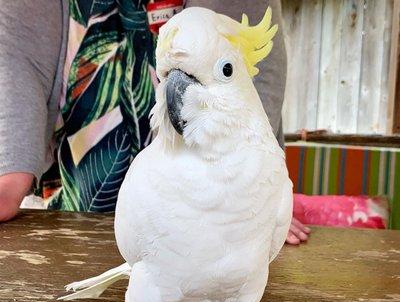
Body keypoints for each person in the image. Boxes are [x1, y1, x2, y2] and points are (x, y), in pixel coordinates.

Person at [0, 0, 309, 244]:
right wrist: (6, 183)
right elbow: (10, 164)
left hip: (214, 224)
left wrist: (259, 204)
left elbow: (249, 104)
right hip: (70, 224)